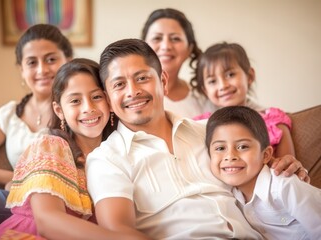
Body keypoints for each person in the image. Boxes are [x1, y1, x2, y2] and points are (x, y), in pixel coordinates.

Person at [86, 38, 307, 239]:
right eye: (119, 85)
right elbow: (117, 231)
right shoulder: (107, 159)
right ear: (107, 98)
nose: (132, 92)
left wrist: (285, 168)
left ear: (162, 80)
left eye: (142, 78)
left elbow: (263, 182)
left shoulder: (211, 133)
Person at [0, 58, 150, 240]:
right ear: (59, 110)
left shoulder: (119, 150)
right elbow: (48, 221)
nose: (88, 108)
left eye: (96, 97)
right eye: (75, 101)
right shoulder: (50, 146)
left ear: (109, 101)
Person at [0, 23, 73, 237]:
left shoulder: (76, 109)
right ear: (22, 70)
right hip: (11, 194)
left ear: (67, 60)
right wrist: (13, 176)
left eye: (51, 59)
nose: (42, 69)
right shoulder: (10, 113)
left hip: (41, 203)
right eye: (32, 62)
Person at [205, 105, 321, 239]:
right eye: (220, 148)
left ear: (266, 155)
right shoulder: (229, 197)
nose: (230, 156)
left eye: (242, 146)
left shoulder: (284, 185)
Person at [141, 8, 262, 118]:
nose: (166, 46)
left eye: (175, 38)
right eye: (157, 38)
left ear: (190, 48)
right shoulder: (134, 95)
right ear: (143, 46)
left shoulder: (206, 96)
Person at [193, 42, 296, 159]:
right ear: (205, 91)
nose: (223, 85)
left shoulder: (274, 122)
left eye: (230, 74)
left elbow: (288, 168)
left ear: (250, 76)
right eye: (212, 81)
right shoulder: (200, 126)